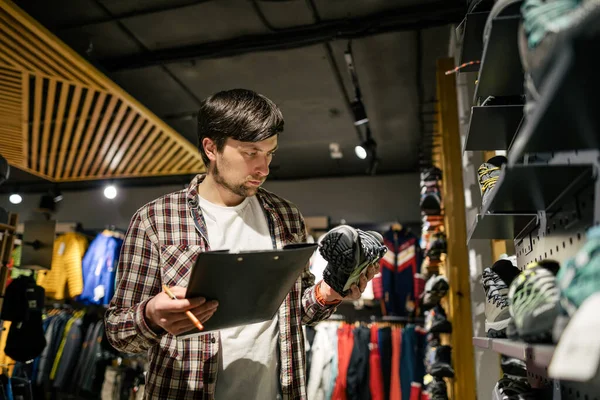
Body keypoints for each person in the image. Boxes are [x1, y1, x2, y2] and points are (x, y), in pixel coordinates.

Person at [105, 89, 378, 399]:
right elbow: (118, 333)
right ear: (211, 147)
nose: (264, 168)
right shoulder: (155, 219)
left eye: (270, 153)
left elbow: (294, 311)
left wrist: (329, 293)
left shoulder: (286, 216)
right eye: (251, 152)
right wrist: (152, 315)